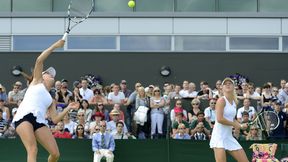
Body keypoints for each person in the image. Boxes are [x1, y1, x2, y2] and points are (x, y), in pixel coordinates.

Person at [12, 39, 79, 162]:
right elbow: (39, 60)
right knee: (33, 149)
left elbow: (54, 119)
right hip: (23, 118)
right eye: (48, 73)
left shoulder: (51, 99)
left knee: (55, 154)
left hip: (39, 121)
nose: (51, 75)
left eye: (52, 74)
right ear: (42, 76)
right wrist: (56, 46)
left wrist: (68, 108)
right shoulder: (36, 81)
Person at [209, 78, 249, 162]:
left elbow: (232, 119)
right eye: (225, 83)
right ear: (222, 88)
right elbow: (220, 119)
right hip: (218, 137)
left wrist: (240, 126)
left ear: (233, 87)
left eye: (230, 83)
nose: (228, 84)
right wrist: (235, 125)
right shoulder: (221, 100)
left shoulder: (234, 102)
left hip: (228, 137)